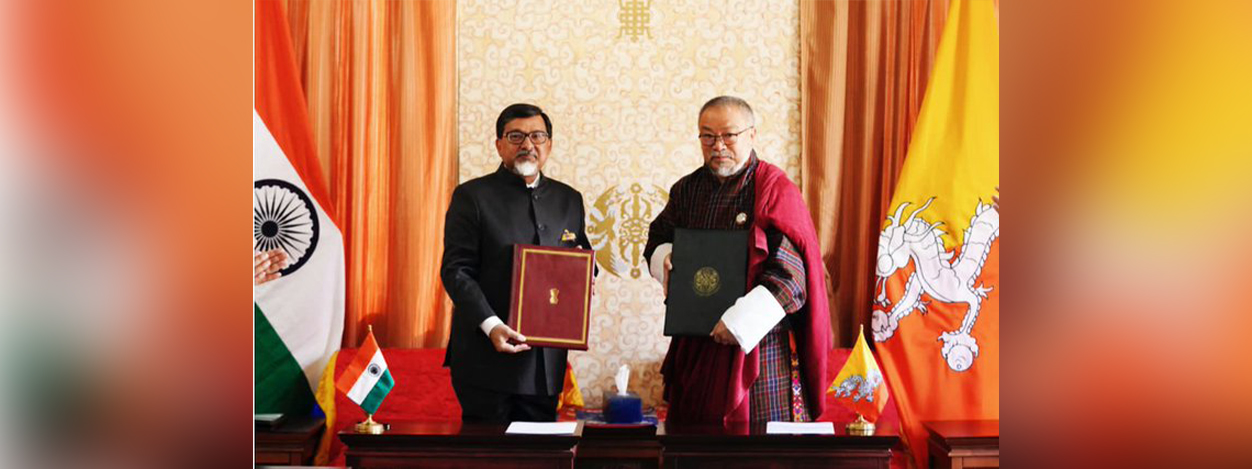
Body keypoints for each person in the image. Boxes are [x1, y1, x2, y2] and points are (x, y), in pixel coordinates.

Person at [644, 96, 831, 423]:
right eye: (707, 136)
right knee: (693, 452)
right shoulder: (686, 190)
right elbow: (657, 237)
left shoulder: (774, 189)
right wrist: (667, 259)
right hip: (696, 342)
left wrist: (739, 323)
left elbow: (792, 279)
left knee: (755, 454)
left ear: (752, 134)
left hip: (758, 351)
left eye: (728, 135)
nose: (718, 146)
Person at [440, 103, 593, 422]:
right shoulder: (472, 196)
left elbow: (582, 257)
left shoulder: (569, 199)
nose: (527, 144)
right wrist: (492, 325)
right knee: (489, 459)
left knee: (541, 459)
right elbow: (456, 271)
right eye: (516, 136)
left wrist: (584, 275)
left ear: (549, 144)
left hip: (546, 365)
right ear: (499, 145)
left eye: (537, 136)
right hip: (485, 361)